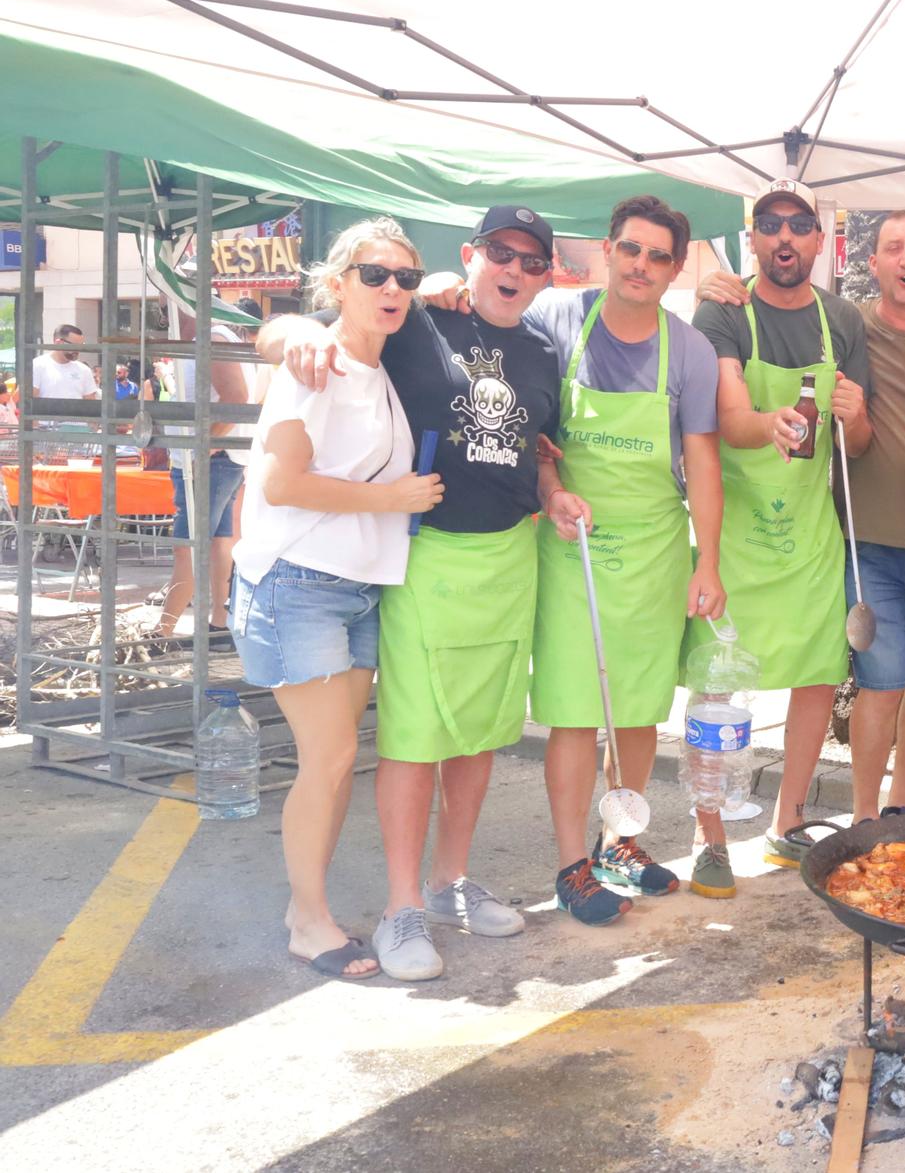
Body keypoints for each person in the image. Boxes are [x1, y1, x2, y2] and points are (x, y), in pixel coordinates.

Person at [262, 205, 562, 979]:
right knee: (414, 734)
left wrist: (553, 488)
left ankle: (448, 882)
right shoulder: (418, 319)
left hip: (509, 557)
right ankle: (400, 906)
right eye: (502, 253)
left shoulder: (540, 349)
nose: (515, 270)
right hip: (425, 558)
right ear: (472, 256)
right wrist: (288, 330)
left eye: (533, 261)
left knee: (479, 730)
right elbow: (327, 328)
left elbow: (541, 444)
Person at [703, 212, 905, 821]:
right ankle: (864, 816)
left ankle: (900, 805)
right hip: (868, 542)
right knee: (880, 682)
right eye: (893, 247)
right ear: (873, 264)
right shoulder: (850, 321)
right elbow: (780, 289)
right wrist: (724, 283)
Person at [231, 218, 442, 981]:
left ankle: (305, 908)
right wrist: (388, 500)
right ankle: (308, 920)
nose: (392, 289)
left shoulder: (376, 367)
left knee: (334, 759)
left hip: (355, 588)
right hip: (298, 582)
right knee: (330, 756)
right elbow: (279, 482)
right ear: (337, 283)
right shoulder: (314, 363)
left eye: (405, 279)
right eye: (373, 274)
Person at [513, 196, 731, 913]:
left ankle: (619, 843)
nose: (641, 265)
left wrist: (708, 561)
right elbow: (534, 430)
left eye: (658, 255)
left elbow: (701, 461)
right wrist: (550, 487)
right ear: (608, 250)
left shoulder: (690, 350)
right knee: (577, 709)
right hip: (573, 545)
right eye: (631, 249)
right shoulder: (554, 320)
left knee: (637, 705)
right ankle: (572, 862)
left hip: (655, 550)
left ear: (674, 268)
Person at [693, 178, 872, 868]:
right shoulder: (724, 312)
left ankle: (787, 818)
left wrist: (854, 418)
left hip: (811, 531)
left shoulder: (844, 321)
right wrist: (772, 423)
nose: (785, 237)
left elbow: (856, 450)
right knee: (716, 679)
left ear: (819, 241)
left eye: (799, 225)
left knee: (817, 673)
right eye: (771, 224)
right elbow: (731, 419)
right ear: (754, 237)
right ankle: (708, 833)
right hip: (735, 525)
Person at [155, 302, 250, 637]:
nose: (167, 321)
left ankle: (163, 632)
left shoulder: (213, 337)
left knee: (188, 544)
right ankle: (219, 624)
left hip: (211, 459)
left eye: (170, 311)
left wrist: (206, 445)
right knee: (216, 542)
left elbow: (236, 398)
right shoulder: (207, 338)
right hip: (212, 458)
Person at [31, 324, 99, 401]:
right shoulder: (38, 365)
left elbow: (90, 403)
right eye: (74, 346)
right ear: (58, 343)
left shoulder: (84, 370)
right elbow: (30, 400)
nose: (78, 350)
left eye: (81, 346)